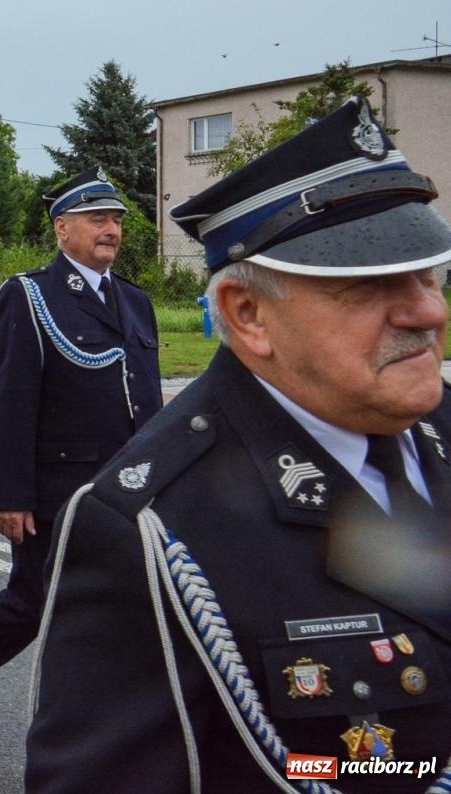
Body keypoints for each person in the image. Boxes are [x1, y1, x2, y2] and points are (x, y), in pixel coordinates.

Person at [26, 97, 451, 792]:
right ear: (248, 316)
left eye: (428, 272)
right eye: (369, 283)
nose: (428, 310)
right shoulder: (151, 527)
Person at [0, 168, 163, 732]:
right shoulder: (29, 296)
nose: (111, 229)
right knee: (34, 602)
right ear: (63, 228)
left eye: (116, 220)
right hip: (58, 490)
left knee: (128, 600)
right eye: (97, 219)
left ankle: (104, 719)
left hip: (128, 490)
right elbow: (11, 402)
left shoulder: (135, 303)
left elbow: (150, 404)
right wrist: (12, 496)